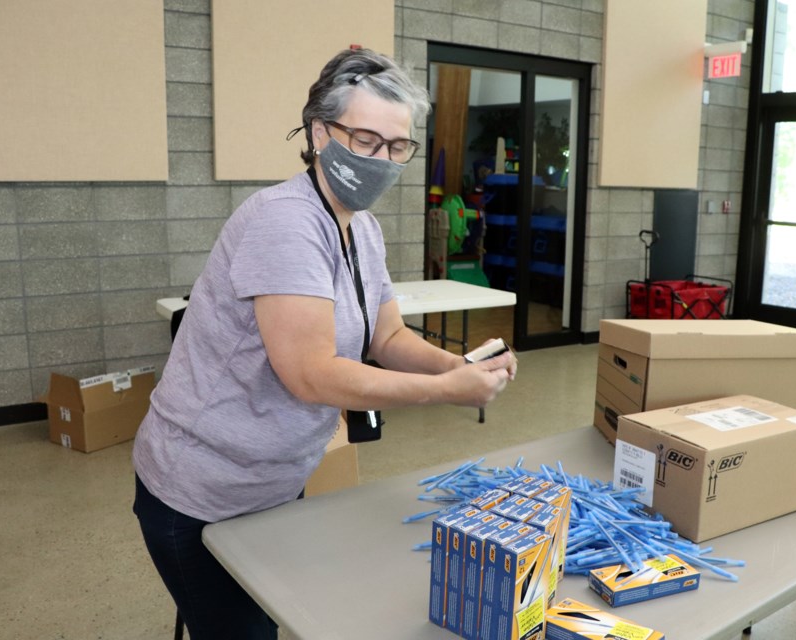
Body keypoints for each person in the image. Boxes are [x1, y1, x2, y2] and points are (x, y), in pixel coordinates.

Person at [131, 47, 517, 639]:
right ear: (319, 133)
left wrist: (460, 366)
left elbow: (386, 335)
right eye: (365, 140)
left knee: (268, 615)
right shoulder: (284, 221)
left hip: (275, 476)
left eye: (397, 147)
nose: (382, 160)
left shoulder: (360, 226)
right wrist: (444, 391)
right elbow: (310, 374)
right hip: (202, 486)